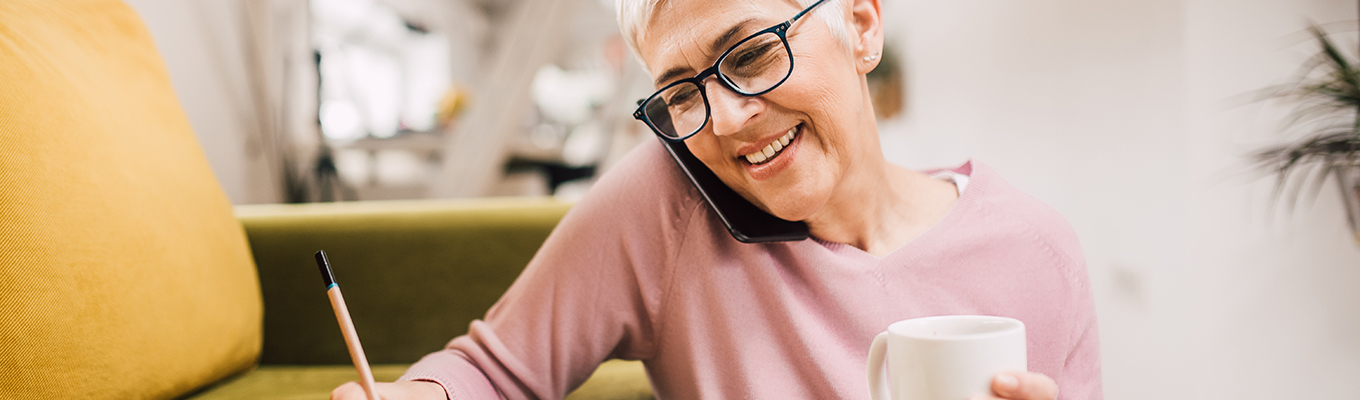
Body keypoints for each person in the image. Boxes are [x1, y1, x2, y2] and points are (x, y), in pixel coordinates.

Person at [333, 0, 1101, 398]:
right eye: (679, 91)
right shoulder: (667, 203)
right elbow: (497, 373)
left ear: (861, 26)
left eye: (755, 52)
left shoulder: (1036, 252)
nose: (726, 119)